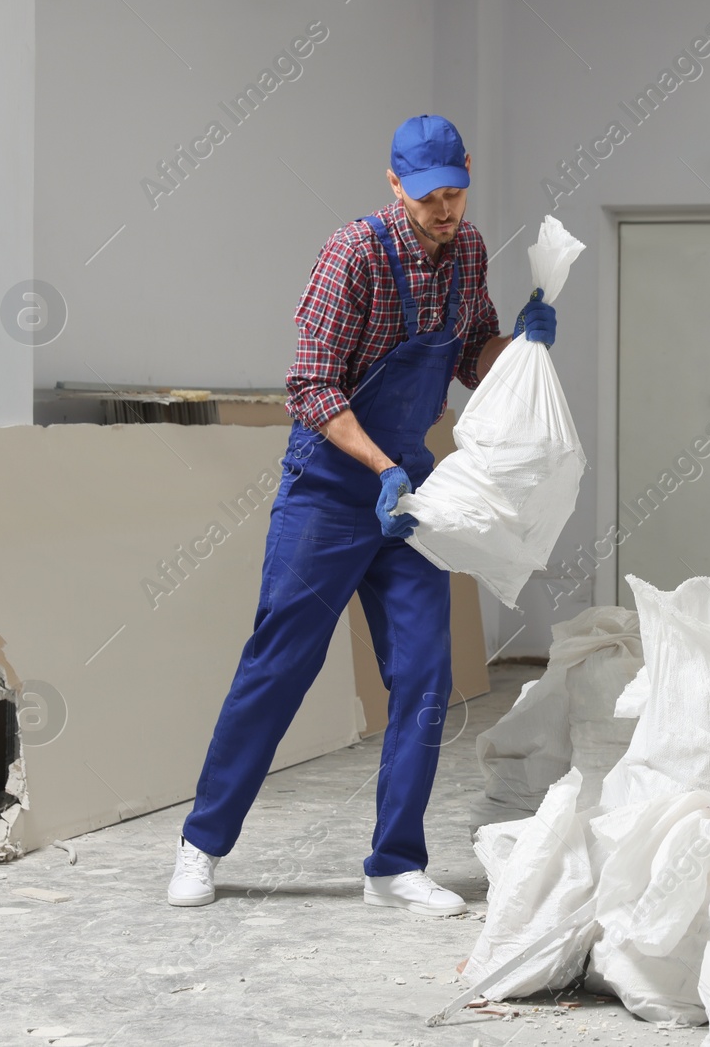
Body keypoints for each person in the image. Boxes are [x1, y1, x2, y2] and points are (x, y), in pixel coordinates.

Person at [166, 114, 555, 915]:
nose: (444, 210)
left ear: (467, 175)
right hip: (330, 489)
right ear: (393, 185)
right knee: (279, 666)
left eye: (454, 193)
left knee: (423, 676)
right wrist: (376, 465)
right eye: (427, 197)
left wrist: (520, 346)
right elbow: (308, 387)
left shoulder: (469, 251)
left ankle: (394, 863)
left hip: (407, 493)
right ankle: (201, 845)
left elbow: (471, 356)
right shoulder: (353, 255)